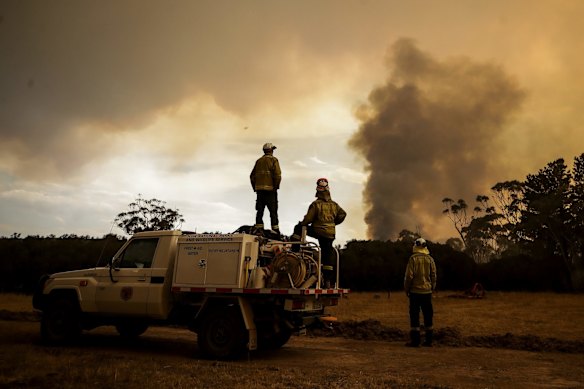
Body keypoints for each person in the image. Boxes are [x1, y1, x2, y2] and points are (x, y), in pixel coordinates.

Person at [292, 178, 346, 288]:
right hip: (330, 234)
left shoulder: (316, 204)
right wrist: (333, 223)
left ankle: (294, 252)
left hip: (319, 231)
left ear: (318, 191)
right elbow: (343, 214)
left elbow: (308, 219)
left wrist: (303, 223)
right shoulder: (334, 205)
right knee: (327, 255)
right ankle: (328, 281)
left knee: (298, 228)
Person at [404, 237, 437, 347]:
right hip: (427, 292)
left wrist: (407, 289)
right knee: (428, 315)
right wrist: (432, 288)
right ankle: (429, 341)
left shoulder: (413, 259)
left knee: (414, 316)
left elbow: (409, 276)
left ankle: (415, 341)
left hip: (415, 292)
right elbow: (433, 275)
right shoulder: (430, 259)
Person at [250, 143, 282, 234]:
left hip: (260, 191)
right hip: (270, 191)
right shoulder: (274, 160)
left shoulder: (258, 161)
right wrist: (276, 187)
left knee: (260, 211)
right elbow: (278, 175)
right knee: (273, 211)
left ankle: (259, 229)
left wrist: (255, 188)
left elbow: (252, 176)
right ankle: (275, 230)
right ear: (271, 150)